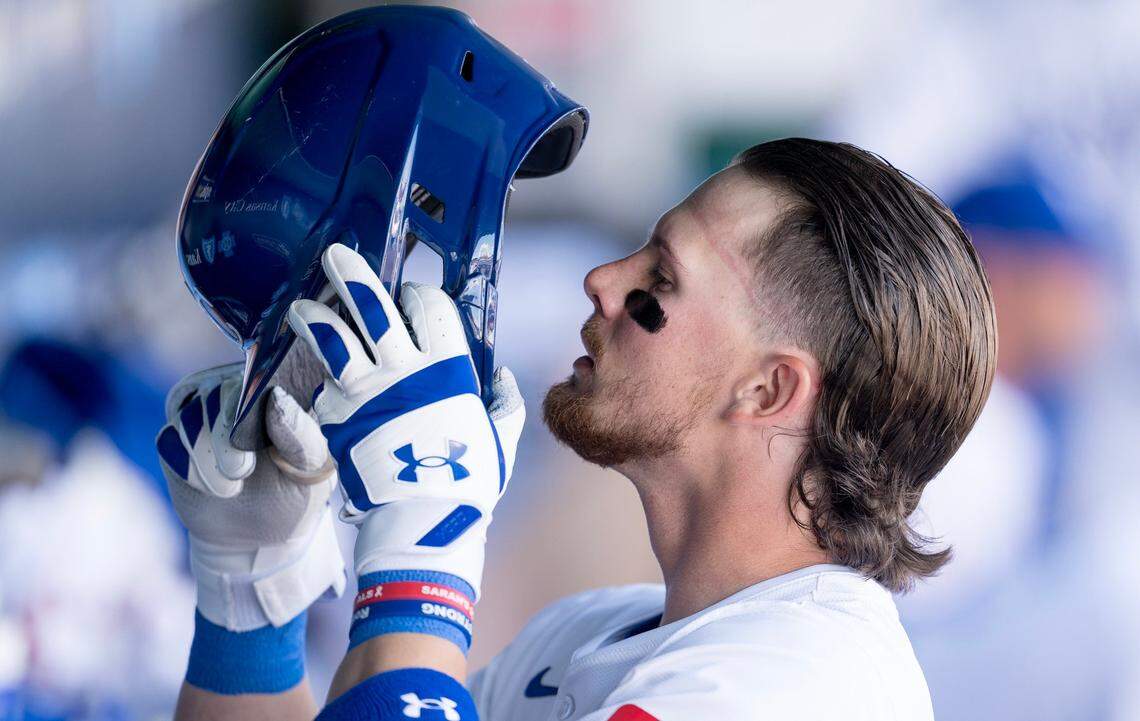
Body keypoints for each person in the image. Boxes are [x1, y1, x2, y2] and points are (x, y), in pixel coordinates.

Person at [156, 138, 996, 720]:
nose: (603, 279)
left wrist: (421, 563)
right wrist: (251, 602)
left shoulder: (798, 689)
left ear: (769, 389)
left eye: (659, 278)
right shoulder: (599, 631)